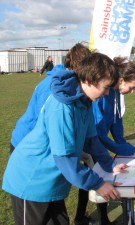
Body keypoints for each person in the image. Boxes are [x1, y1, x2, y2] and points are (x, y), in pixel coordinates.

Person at [2, 52, 128, 225]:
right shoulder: (62, 107)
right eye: (105, 87)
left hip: (52, 185)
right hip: (31, 182)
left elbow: (92, 141)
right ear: (89, 81)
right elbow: (65, 158)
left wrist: (110, 166)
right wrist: (98, 184)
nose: (107, 93)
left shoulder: (86, 102)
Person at [76, 57, 135, 225]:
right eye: (131, 87)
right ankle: (103, 219)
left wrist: (122, 144)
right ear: (121, 80)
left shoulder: (114, 93)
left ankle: (79, 217)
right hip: (91, 144)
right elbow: (97, 132)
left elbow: (116, 122)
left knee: (90, 178)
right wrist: (117, 148)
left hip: (99, 143)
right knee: (99, 179)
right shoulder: (103, 94)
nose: (132, 91)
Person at [10, 43, 90, 153]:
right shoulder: (53, 86)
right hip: (26, 143)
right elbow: (45, 121)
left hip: (44, 144)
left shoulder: (70, 84)